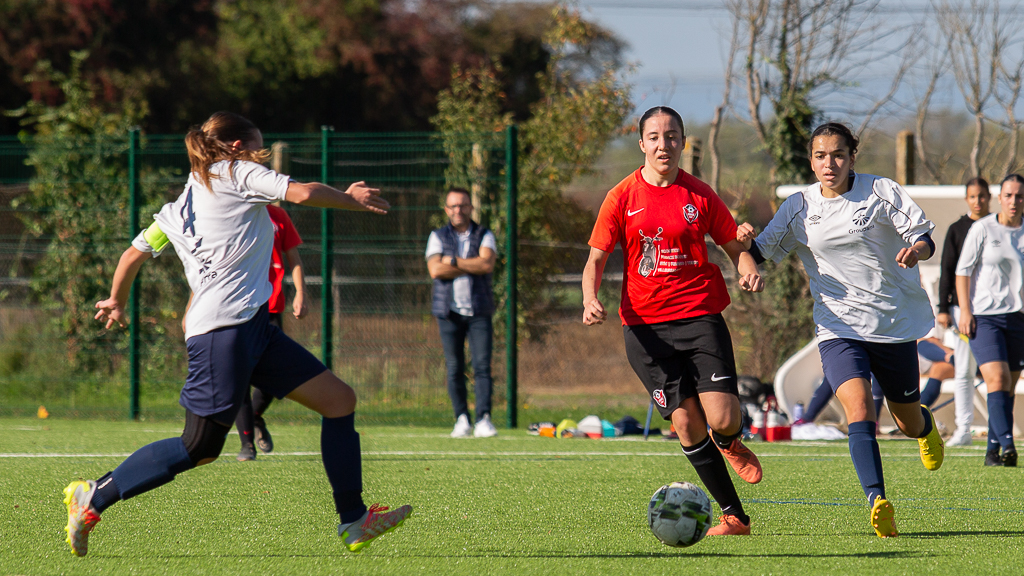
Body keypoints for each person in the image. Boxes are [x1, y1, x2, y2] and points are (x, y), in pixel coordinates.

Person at [63, 112, 411, 558]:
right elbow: (303, 193)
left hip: (252, 327)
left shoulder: (182, 202)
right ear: (236, 147)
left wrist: (116, 298)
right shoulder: (234, 172)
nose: (261, 157)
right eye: (258, 148)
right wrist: (350, 198)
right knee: (199, 446)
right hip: (223, 332)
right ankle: (94, 495)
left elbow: (134, 253)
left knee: (339, 400)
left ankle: (354, 519)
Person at [738, 122, 944, 538]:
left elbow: (924, 238)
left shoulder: (880, 191)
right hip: (838, 327)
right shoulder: (798, 206)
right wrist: (742, 241)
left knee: (906, 422)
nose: (829, 164)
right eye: (820, 156)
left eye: (837, 155)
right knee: (859, 408)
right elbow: (757, 252)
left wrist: (916, 250)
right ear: (811, 161)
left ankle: (924, 426)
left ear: (852, 157)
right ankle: (877, 500)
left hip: (892, 324)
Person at [582, 106, 766, 536]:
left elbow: (734, 247)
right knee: (685, 422)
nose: (663, 144)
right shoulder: (621, 196)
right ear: (642, 144)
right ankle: (735, 516)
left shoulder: (699, 195)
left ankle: (729, 440)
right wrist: (590, 298)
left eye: (671, 136)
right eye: (654, 137)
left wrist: (748, 269)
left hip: (700, 317)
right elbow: (595, 259)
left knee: (722, 418)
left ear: (682, 142)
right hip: (645, 330)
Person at [956, 173, 1024, 467]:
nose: (1014, 201)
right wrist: (965, 311)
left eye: (1019, 196)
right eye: (1008, 195)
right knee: (997, 378)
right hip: (984, 318)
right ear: (1000, 198)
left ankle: (993, 451)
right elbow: (962, 271)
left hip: (1018, 319)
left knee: (1008, 387)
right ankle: (1008, 445)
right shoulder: (983, 228)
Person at [234, 203, 307, 461]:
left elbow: (294, 258)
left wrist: (300, 292)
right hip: (238, 308)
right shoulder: (234, 211)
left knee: (276, 373)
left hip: (271, 307)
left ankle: (254, 417)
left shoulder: (278, 216)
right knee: (240, 376)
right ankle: (246, 444)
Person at [425, 187, 498, 438]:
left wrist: (453, 262)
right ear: (447, 209)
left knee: (482, 366)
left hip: (479, 311)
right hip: (448, 312)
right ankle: (461, 419)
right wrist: (471, 265)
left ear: (471, 207)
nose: (458, 210)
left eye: (463, 205)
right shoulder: (437, 236)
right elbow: (435, 270)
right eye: (454, 206)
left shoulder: (485, 234)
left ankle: (483, 419)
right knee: (454, 367)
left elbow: (486, 264)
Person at [936, 178, 991, 446]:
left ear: (989, 197)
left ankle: (999, 429)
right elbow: (947, 269)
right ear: (966, 199)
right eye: (972, 196)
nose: (977, 201)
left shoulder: (999, 226)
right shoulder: (957, 229)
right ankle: (963, 429)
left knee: (997, 372)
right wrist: (944, 308)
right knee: (964, 371)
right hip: (962, 311)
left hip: (995, 310)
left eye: (982, 196)